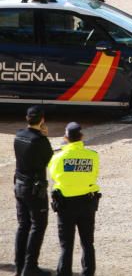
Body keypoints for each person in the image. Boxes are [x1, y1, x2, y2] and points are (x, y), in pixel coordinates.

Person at [48, 122, 100, 276]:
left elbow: (53, 175)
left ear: (65, 138)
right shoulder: (93, 156)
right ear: (82, 137)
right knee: (88, 243)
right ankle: (88, 273)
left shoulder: (58, 157)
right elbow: (95, 174)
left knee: (66, 245)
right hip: (87, 203)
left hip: (66, 204)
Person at [14, 106, 53, 276]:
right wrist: (44, 136)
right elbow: (49, 159)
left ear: (27, 118)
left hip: (19, 184)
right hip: (33, 188)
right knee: (38, 225)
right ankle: (30, 267)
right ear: (42, 119)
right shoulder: (40, 141)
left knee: (23, 226)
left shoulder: (18, 135)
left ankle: (19, 265)